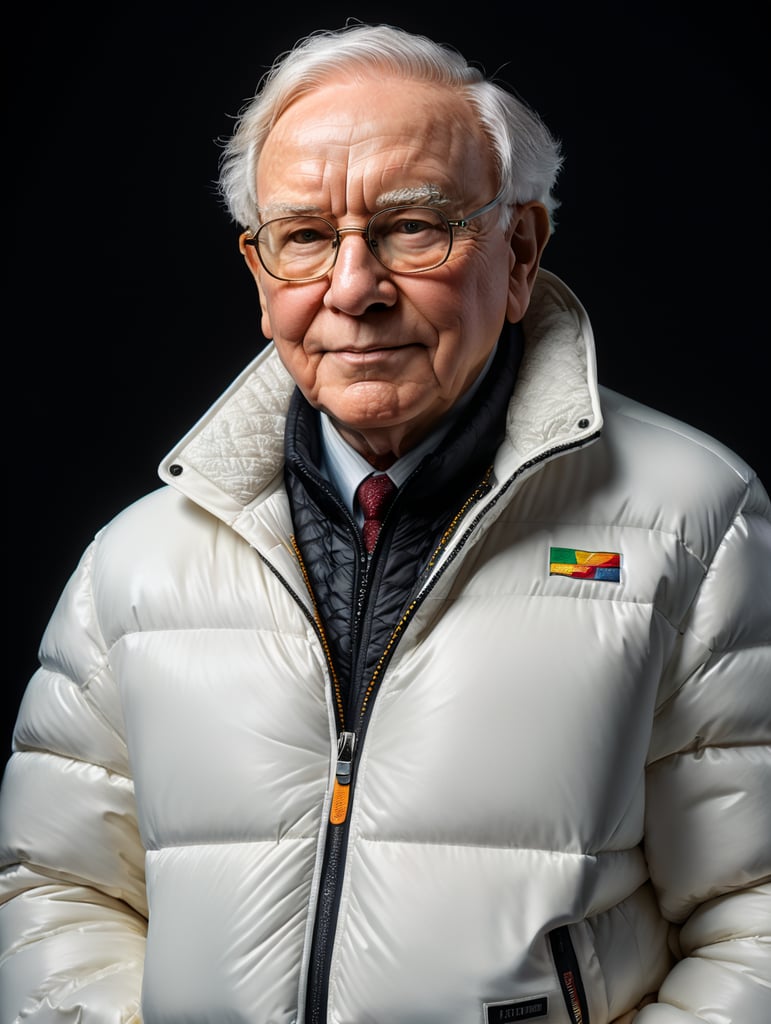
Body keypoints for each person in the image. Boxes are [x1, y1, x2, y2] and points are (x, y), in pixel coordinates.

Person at [1, 20, 769, 1024]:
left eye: (414, 227)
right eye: (306, 237)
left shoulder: (690, 521)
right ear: (260, 270)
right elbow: (54, 888)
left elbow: (754, 918)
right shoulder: (140, 562)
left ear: (522, 247)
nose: (353, 289)